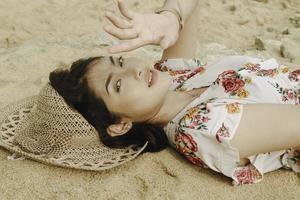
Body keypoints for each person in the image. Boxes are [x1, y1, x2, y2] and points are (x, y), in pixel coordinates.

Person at [49, 0, 300, 186]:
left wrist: (170, 17)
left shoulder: (174, 79)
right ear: (119, 125)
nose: (134, 71)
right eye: (117, 85)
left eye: (122, 62)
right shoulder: (201, 127)